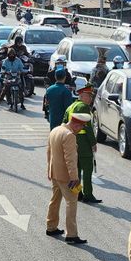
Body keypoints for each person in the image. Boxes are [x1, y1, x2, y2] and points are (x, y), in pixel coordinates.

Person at [45, 112, 91, 244]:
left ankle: (51, 227)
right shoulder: (69, 136)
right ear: (76, 125)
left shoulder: (56, 130)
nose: (81, 130)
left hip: (54, 173)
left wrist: (49, 170)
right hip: (66, 177)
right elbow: (70, 160)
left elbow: (49, 151)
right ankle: (71, 234)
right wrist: (74, 178)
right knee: (72, 202)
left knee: (55, 199)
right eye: (81, 127)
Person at [63, 84, 100, 204]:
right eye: (89, 96)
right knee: (88, 169)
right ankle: (88, 195)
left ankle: (77, 193)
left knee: (76, 168)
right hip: (83, 142)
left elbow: (63, 123)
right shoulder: (84, 107)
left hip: (71, 140)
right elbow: (88, 127)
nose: (90, 99)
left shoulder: (71, 106)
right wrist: (93, 143)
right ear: (82, 96)